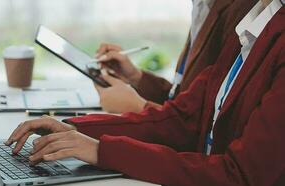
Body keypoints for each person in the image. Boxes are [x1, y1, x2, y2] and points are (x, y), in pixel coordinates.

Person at [5, 0, 284, 186]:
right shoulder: (255, 22)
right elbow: (183, 117)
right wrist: (76, 129)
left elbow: (242, 179)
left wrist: (104, 151)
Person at [93, 0, 258, 114]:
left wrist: (139, 107)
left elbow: (203, 122)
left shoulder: (240, 8)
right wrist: (135, 77)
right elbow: (182, 97)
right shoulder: (202, 6)